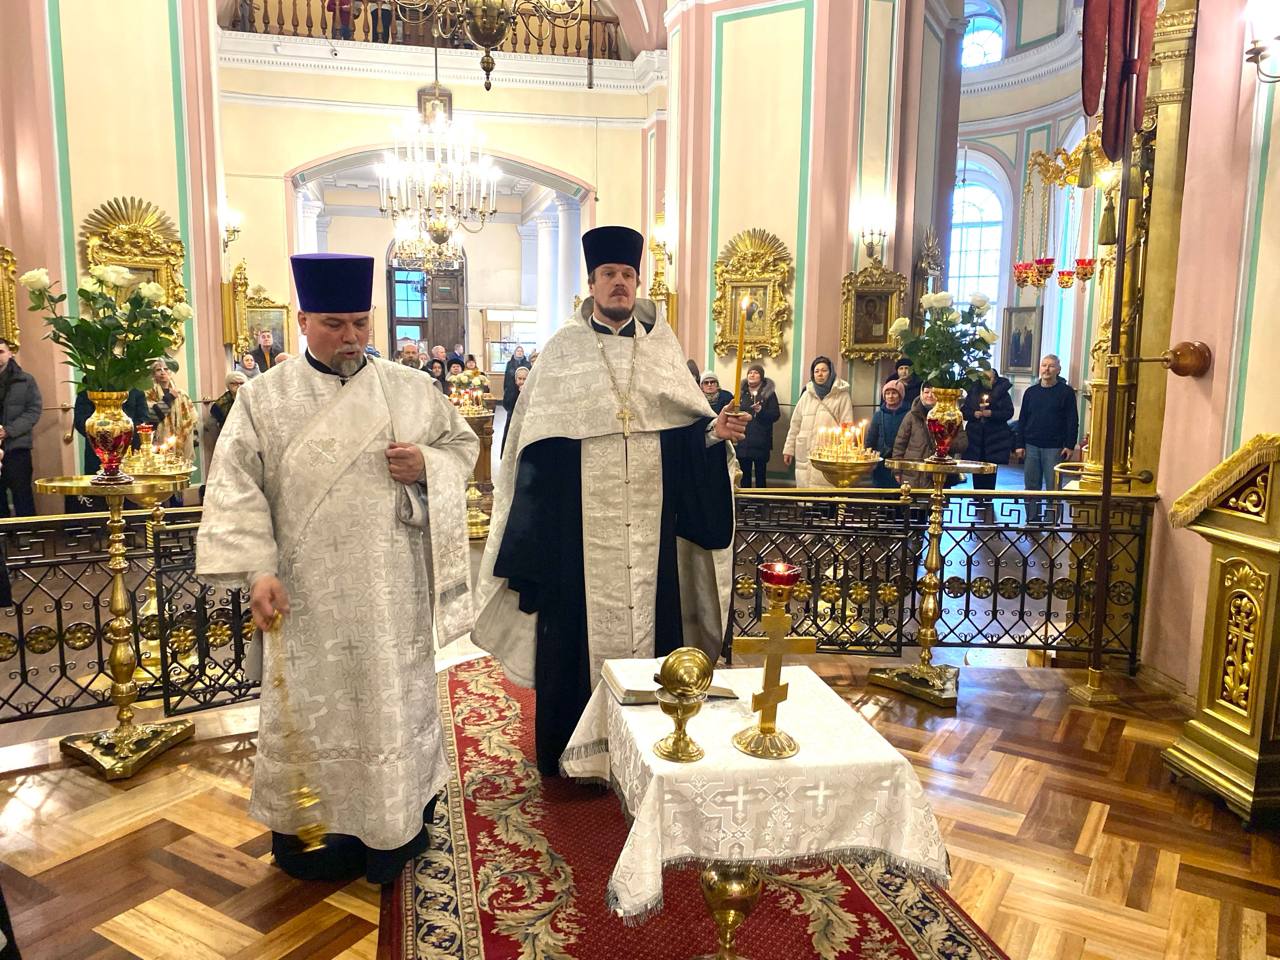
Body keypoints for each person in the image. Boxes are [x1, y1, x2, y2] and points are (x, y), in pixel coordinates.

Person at [197, 252, 478, 885]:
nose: (351, 337)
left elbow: (463, 446)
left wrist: (426, 466)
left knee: (391, 704)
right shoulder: (263, 399)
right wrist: (258, 570)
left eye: (360, 322)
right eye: (334, 324)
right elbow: (237, 487)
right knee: (311, 710)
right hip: (305, 596)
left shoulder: (411, 388)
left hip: (390, 590)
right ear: (303, 321)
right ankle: (315, 841)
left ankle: (396, 828)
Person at [475, 225, 745, 777]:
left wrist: (712, 435)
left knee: (654, 628)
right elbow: (532, 448)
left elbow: (682, 439)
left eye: (627, 274)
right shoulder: (562, 352)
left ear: (637, 282)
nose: (619, 283)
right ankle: (574, 755)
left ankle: (648, 746)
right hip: (578, 540)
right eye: (608, 275)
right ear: (592, 283)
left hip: (650, 538)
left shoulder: (663, 351)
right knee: (572, 641)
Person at [1014, 354, 1079, 523]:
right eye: (1044, 365)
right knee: (1031, 486)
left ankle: (1051, 521)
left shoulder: (1066, 392)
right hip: (1032, 445)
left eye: (1051, 366)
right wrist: (1019, 444)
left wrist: (1070, 445)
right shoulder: (1031, 392)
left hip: (1054, 446)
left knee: (1053, 486)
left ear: (1058, 370)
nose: (1046, 369)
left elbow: (1072, 420)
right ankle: (1032, 519)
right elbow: (1023, 420)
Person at [783, 356, 854, 487]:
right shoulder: (807, 395)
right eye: (816, 371)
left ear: (831, 372)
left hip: (829, 452)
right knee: (805, 491)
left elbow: (847, 427)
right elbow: (795, 424)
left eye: (824, 370)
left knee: (825, 491)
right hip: (805, 450)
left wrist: (846, 451)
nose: (820, 374)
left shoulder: (842, 395)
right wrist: (789, 449)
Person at [892, 386, 970, 487]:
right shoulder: (911, 416)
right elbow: (900, 445)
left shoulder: (952, 416)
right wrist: (897, 470)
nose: (929, 395)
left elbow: (962, 444)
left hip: (940, 475)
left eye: (933, 393)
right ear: (921, 394)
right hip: (913, 475)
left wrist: (946, 441)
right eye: (926, 392)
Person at [0, 339, 43, 517]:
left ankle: (26, 531)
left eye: (1, 352)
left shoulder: (26, 380)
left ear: (10, 353)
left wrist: (8, 431)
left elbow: (33, 411)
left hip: (17, 447)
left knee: (22, 494)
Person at [962, 367, 1014, 491]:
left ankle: (988, 496)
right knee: (977, 469)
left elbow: (1008, 412)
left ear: (995, 379)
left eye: (988, 378)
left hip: (995, 438)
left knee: (990, 470)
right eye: (983, 378)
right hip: (976, 438)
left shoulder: (1002, 393)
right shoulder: (974, 391)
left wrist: (992, 414)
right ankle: (977, 496)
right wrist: (974, 414)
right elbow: (964, 411)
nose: (985, 381)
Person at [735, 363, 779, 488]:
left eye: (756, 372)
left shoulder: (769, 393)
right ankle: (746, 499)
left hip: (761, 442)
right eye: (750, 372)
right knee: (744, 477)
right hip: (743, 441)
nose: (752, 375)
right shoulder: (740, 393)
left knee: (760, 476)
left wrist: (761, 411)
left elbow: (775, 415)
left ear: (761, 376)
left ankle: (760, 499)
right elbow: (735, 411)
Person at [146, 360, 198, 464]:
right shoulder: (150, 393)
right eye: (158, 370)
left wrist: (193, 439)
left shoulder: (182, 394)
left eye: (166, 369)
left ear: (171, 372)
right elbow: (152, 416)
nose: (163, 372)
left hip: (180, 441)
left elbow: (193, 419)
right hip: (159, 443)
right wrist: (169, 398)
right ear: (153, 374)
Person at [866, 380, 909, 488]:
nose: (890, 396)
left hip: (901, 461)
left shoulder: (908, 415)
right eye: (887, 393)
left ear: (900, 395)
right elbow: (871, 438)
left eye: (894, 393)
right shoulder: (879, 415)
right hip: (881, 462)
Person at [207, 371, 248, 460]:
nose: (238, 386)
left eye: (241, 383)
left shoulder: (251, 399)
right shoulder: (220, 404)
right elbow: (211, 424)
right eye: (234, 383)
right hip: (228, 440)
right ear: (228, 385)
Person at [500, 365, 529, 456]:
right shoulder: (510, 389)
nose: (522, 381)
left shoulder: (530, 390)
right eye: (519, 379)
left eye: (524, 379)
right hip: (512, 419)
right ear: (516, 379)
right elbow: (506, 404)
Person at [503, 346, 532, 411]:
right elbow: (506, 378)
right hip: (511, 391)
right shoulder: (509, 363)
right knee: (511, 411)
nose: (519, 352)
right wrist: (505, 390)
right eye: (518, 351)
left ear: (523, 353)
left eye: (521, 351)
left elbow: (530, 379)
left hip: (523, 391)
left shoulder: (528, 364)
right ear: (515, 352)